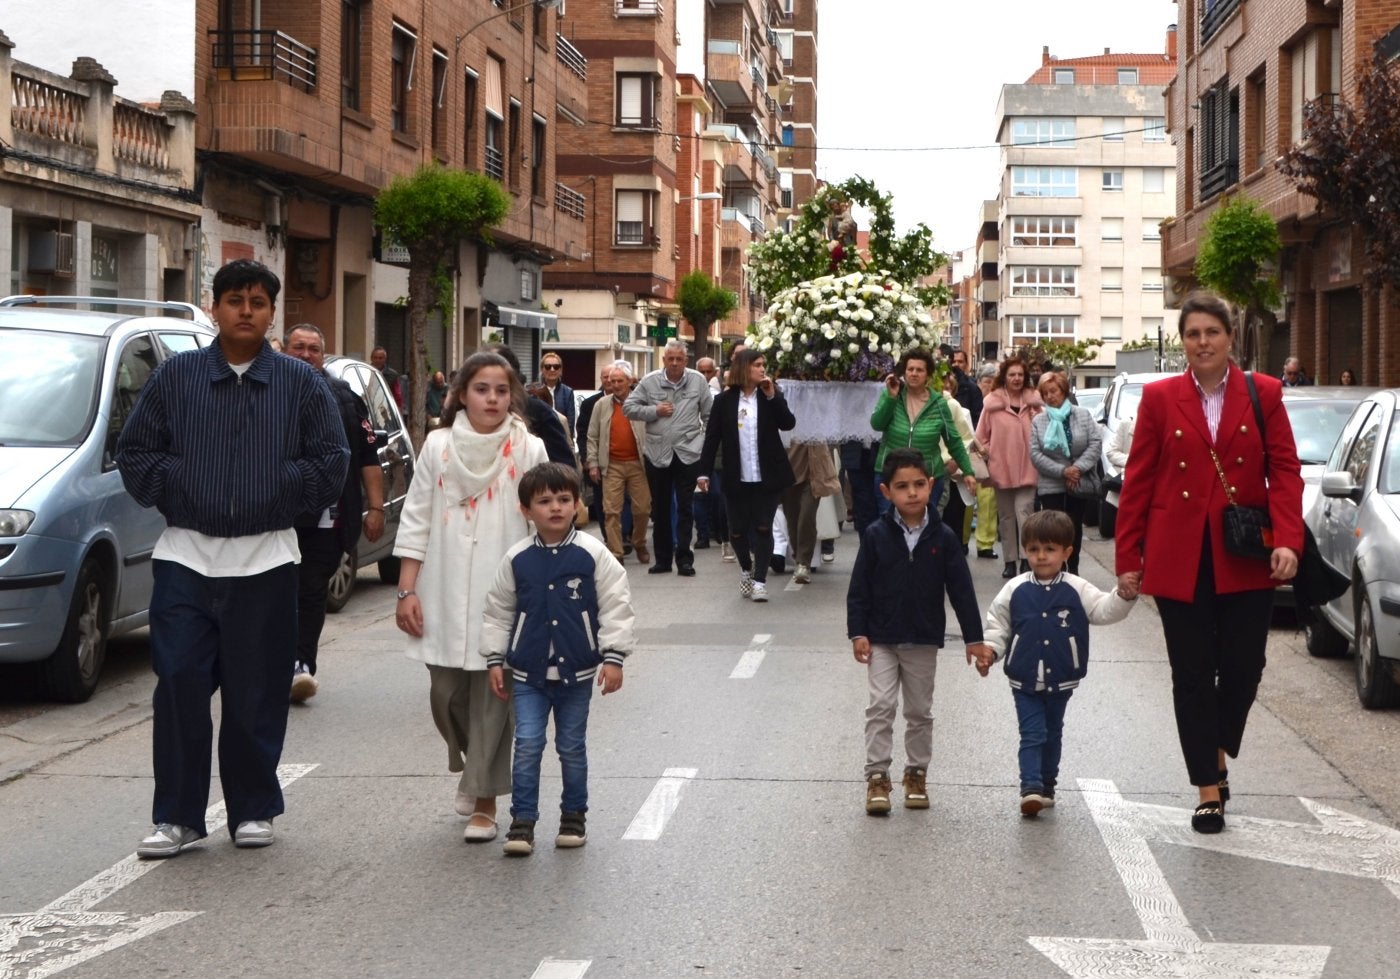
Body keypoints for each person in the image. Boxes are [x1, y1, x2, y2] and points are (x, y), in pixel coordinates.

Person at [116, 259, 349, 858]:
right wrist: (183, 487)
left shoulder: (301, 384)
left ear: (273, 313)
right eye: (234, 300)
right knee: (180, 687)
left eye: (258, 302)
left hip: (267, 562)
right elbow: (136, 451)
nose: (246, 310)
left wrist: (277, 491)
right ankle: (178, 817)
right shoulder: (176, 378)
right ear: (215, 307)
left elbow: (331, 461)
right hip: (185, 561)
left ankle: (252, 809)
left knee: (257, 693)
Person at [1115, 291, 1303, 835]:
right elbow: (1139, 482)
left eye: (1212, 333)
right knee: (1192, 674)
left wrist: (1287, 539)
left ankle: (1217, 749)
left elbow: (1286, 471)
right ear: (1183, 342)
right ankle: (1206, 787)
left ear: (1229, 338)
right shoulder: (1159, 397)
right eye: (1192, 334)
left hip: (1245, 553)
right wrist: (1130, 557)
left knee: (1245, 667)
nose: (1202, 343)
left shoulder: (1263, 392)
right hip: (1181, 556)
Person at [392, 351, 549, 843]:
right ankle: (470, 767)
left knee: (494, 698)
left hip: (505, 593)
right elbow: (416, 517)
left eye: (502, 391)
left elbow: (543, 519)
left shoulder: (528, 449)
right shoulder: (437, 447)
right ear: (461, 393)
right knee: (446, 694)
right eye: (482, 389)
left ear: (512, 397)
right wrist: (406, 589)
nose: (493, 399)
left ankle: (484, 799)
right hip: (441, 586)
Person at [479, 462, 635, 856]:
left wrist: (613, 657)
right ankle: (523, 821)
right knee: (528, 743)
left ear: (577, 505)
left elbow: (616, 604)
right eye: (544, 501)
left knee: (570, 746)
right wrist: (495, 659)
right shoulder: (516, 559)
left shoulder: (592, 555)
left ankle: (573, 815)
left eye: (564, 499)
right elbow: (498, 611)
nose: (555, 508)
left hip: (577, 675)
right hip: (527, 674)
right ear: (526, 510)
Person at [847, 448, 991, 815]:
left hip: (923, 640)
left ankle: (916, 774)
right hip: (881, 637)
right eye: (901, 486)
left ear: (930, 485)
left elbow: (961, 590)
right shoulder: (876, 535)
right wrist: (858, 632)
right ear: (886, 492)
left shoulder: (942, 537)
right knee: (880, 706)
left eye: (918, 485)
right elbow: (859, 588)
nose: (911, 493)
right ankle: (877, 778)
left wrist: (974, 638)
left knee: (919, 712)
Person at [981, 510, 1136, 816]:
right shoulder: (1015, 588)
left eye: (1050, 550)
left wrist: (1124, 596)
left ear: (1067, 552)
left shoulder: (1077, 588)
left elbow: (1104, 610)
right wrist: (990, 650)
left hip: (1062, 678)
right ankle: (1031, 787)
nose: (1041, 557)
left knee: (1053, 732)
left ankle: (1047, 785)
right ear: (1026, 550)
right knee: (1032, 733)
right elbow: (998, 624)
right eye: (1035, 549)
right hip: (1023, 679)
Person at [283, 323, 387, 702]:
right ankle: (270, 664)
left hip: (327, 517)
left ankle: (300, 666)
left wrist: (375, 508)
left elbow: (368, 456)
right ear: (284, 350)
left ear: (323, 356)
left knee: (310, 590)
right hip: (274, 516)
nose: (306, 354)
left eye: (313, 349)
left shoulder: (344, 397)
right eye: (298, 347)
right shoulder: (267, 391)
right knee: (275, 592)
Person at [697, 347, 796, 603]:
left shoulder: (770, 396)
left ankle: (760, 581)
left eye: (764, 364)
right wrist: (703, 472)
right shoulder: (724, 401)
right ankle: (745, 568)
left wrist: (773, 396)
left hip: (767, 476)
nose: (763, 369)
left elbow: (788, 423)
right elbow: (712, 439)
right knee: (737, 531)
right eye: (757, 365)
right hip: (736, 476)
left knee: (764, 527)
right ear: (744, 368)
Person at [624, 339, 713, 576]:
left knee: (685, 507)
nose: (674, 363)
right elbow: (629, 408)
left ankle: (685, 559)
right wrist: (655, 411)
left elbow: (709, 415)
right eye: (670, 358)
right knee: (661, 509)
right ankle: (662, 560)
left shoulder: (697, 380)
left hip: (688, 453)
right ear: (664, 359)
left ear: (686, 360)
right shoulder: (650, 380)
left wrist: (701, 442)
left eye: (679, 359)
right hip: (657, 454)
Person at [870, 347, 979, 509]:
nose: (914, 373)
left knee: (925, 529)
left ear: (928, 375)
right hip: (891, 474)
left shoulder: (939, 403)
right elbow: (877, 424)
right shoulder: (892, 395)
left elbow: (954, 440)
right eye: (910, 369)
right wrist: (891, 399)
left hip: (928, 478)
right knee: (891, 528)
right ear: (904, 373)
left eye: (919, 370)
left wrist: (968, 472)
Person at [975, 357, 1043, 579]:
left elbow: (1044, 432)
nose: (1016, 379)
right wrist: (988, 451)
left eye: (1020, 375)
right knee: (1005, 517)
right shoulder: (992, 404)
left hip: (1028, 468)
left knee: (1024, 512)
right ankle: (1009, 561)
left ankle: (1025, 559)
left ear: (1025, 378)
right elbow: (981, 436)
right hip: (1000, 467)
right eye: (1012, 374)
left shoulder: (1034, 404)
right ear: (1004, 376)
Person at [1028, 371, 1102, 575]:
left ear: (1064, 391)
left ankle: (1073, 569)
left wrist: (1077, 469)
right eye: (1046, 393)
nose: (1051, 396)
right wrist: (1063, 471)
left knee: (1074, 528)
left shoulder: (1083, 415)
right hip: (1052, 485)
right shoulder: (1038, 421)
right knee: (1053, 530)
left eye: (1054, 391)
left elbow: (1095, 444)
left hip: (1079, 483)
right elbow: (1035, 454)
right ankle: (1055, 570)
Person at [587, 361, 651, 564]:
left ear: (630, 381)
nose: (614, 384)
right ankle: (616, 553)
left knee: (642, 509)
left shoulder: (642, 402)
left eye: (619, 381)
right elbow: (592, 436)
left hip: (638, 464)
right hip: (612, 464)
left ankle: (639, 542)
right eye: (611, 380)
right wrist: (593, 463)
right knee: (611, 511)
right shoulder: (601, 405)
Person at [483, 343, 576, 467]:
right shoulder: (460, 425)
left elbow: (564, 468)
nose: (491, 398)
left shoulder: (539, 413)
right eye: (481, 388)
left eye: (500, 389)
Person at [780, 441, 841, 583]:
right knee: (792, 519)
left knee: (806, 516)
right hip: (788, 472)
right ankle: (798, 558)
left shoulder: (815, 419)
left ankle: (803, 563)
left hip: (814, 472)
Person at [576, 365, 612, 528]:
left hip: (624, 460)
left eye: (612, 377)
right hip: (598, 459)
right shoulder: (590, 404)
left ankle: (625, 534)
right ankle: (609, 536)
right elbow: (583, 434)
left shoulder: (631, 402)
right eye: (605, 377)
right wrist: (587, 459)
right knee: (601, 500)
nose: (609, 381)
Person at [972, 368, 999, 558]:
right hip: (968, 452)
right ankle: (963, 540)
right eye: (986, 381)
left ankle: (985, 543)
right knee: (966, 500)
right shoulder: (972, 399)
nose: (989, 385)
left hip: (989, 455)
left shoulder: (997, 403)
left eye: (992, 381)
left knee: (987, 501)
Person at [539, 351, 576, 435]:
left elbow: (570, 423)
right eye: (548, 366)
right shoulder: (535, 391)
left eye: (556, 367)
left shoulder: (568, 392)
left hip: (561, 439)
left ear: (560, 370)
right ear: (542, 369)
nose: (552, 370)